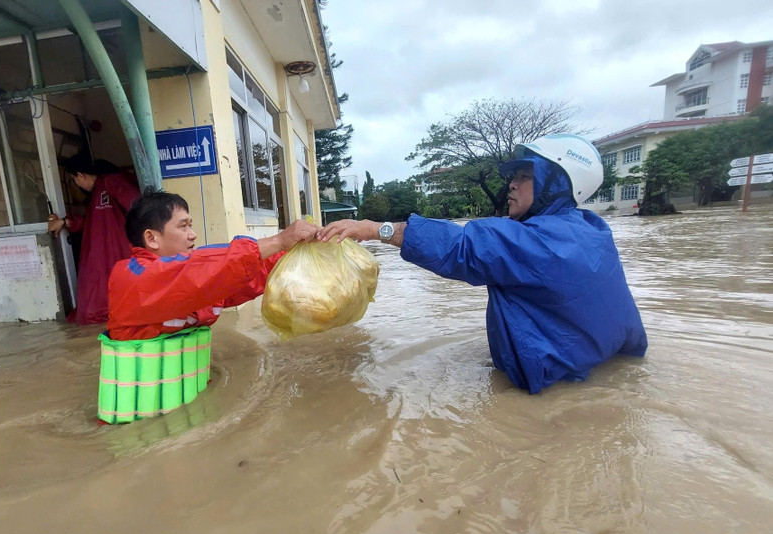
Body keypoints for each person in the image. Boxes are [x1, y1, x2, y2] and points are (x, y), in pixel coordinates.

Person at [320, 134, 647, 394]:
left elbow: (459, 246)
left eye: (525, 176)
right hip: (609, 371)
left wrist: (375, 229)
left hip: (555, 390)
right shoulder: (594, 229)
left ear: (556, 183)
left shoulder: (534, 242)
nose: (512, 185)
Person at [107, 191, 319, 341]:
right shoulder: (131, 277)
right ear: (152, 238)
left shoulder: (197, 283)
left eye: (191, 225)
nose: (193, 234)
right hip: (144, 402)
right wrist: (278, 241)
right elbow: (197, 272)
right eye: (183, 226)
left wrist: (292, 252)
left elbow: (244, 278)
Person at [48, 154, 141, 324]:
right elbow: (93, 221)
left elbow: (138, 207)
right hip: (103, 252)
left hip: (116, 250)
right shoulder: (98, 191)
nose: (77, 184)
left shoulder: (111, 182)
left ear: (80, 175)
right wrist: (65, 221)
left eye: (74, 179)